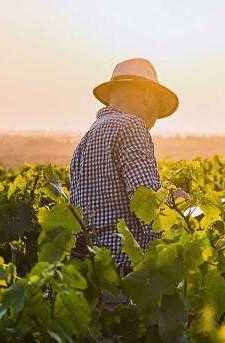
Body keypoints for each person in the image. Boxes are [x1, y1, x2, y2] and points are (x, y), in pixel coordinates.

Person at [69, 58, 179, 272]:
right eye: (158, 105)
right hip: (127, 268)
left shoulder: (86, 139)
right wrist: (176, 212)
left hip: (95, 271)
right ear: (148, 95)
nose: (156, 117)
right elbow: (145, 201)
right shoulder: (131, 126)